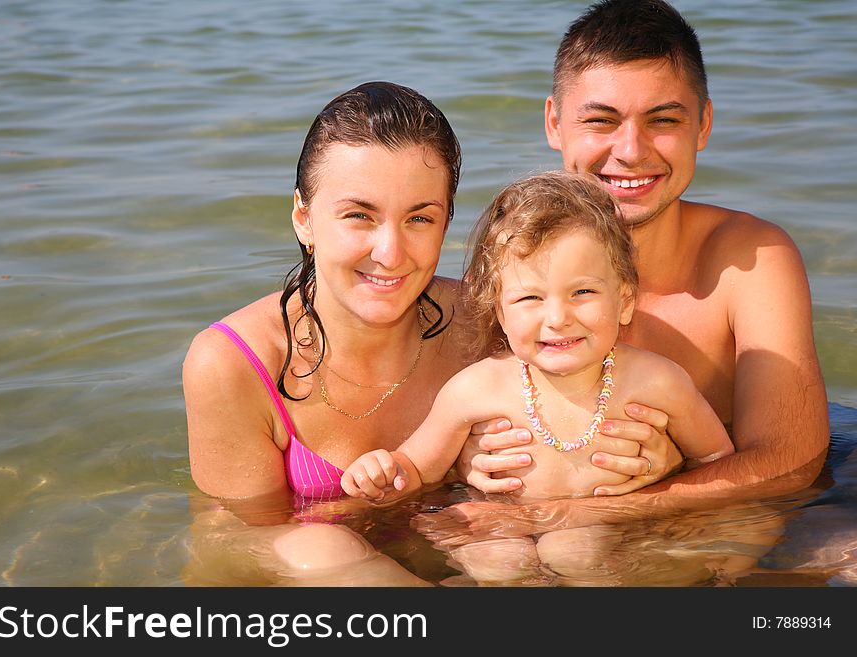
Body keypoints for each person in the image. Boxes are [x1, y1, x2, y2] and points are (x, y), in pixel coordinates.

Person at [182, 81, 655, 584]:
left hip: (464, 560)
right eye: (359, 216)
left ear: (447, 221)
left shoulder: (493, 322)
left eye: (419, 218)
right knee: (321, 547)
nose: (390, 252)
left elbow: (606, 414)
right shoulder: (232, 363)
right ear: (304, 218)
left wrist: (647, 462)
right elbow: (229, 541)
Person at [456, 0, 829, 524]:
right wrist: (464, 461)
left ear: (703, 125)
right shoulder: (511, 266)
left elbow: (792, 464)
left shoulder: (750, 260)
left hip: (700, 512)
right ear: (555, 123)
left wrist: (652, 491)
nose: (630, 150)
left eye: (663, 120)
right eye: (600, 120)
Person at [342, 171, 733, 505]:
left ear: (625, 301)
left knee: (578, 551)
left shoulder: (658, 383)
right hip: (506, 523)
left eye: (582, 293)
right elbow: (416, 468)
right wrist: (380, 473)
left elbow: (718, 458)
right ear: (500, 312)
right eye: (530, 298)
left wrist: (671, 473)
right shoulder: (476, 389)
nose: (558, 318)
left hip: (606, 529)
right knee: (491, 549)